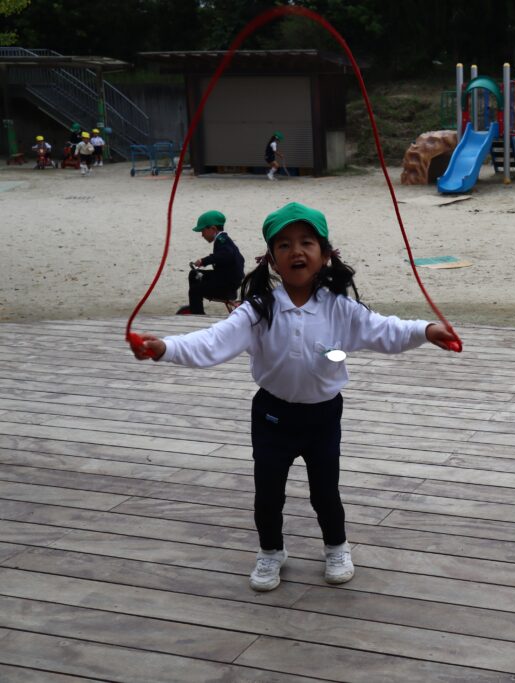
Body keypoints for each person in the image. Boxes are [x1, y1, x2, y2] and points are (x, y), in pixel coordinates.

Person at [132, 202, 459, 592]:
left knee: (326, 491)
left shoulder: (341, 309)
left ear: (325, 254)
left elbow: (386, 330)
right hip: (272, 417)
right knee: (268, 494)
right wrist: (165, 348)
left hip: (323, 417)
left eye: (307, 242)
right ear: (272, 259)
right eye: (284, 245)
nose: (296, 251)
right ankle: (271, 551)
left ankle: (336, 547)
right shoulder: (258, 310)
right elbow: (212, 341)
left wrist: (426, 331)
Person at [177, 210, 246, 316]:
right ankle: (195, 306)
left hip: (227, 285)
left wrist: (204, 261)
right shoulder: (223, 240)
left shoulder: (222, 241)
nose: (202, 235)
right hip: (225, 278)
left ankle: (198, 315)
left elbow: (225, 255)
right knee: (194, 274)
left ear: (213, 229)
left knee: (195, 290)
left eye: (203, 231)